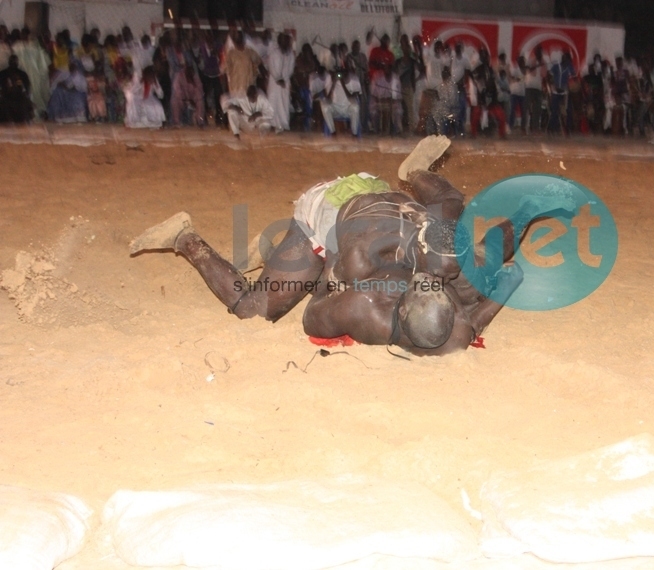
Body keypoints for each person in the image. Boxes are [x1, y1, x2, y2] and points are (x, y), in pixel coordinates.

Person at [128, 137, 570, 355]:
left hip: (387, 204)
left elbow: (500, 264)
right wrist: (331, 281)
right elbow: (313, 314)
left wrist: (529, 211)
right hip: (327, 210)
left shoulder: (445, 259)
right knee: (256, 310)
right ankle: (185, 237)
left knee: (459, 216)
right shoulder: (359, 286)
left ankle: (415, 171)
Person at [320, 63, 361, 136]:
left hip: (347, 110)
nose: (341, 75)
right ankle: (333, 132)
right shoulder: (330, 79)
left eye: (344, 72)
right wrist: (333, 84)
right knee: (324, 106)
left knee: (355, 107)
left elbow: (351, 97)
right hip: (335, 110)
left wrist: (343, 83)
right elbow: (328, 99)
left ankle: (354, 134)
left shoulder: (354, 80)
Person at [268, 33, 295, 132]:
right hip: (275, 83)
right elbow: (271, 67)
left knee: (284, 103)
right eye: (283, 40)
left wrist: (285, 79)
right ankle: (274, 124)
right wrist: (278, 78)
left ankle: (283, 124)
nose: (285, 43)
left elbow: (291, 68)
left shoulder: (290, 54)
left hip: (285, 82)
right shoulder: (274, 53)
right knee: (274, 102)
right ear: (279, 42)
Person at [225, 31, 261, 98]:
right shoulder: (231, 54)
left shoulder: (250, 52)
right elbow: (227, 70)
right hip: (236, 89)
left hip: (249, 88)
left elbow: (258, 63)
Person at [0, 54, 34, 123]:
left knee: (25, 103)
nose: (13, 63)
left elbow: (27, 87)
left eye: (15, 61)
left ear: (17, 62)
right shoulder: (2, 74)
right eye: (12, 61)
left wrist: (26, 95)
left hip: (19, 96)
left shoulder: (22, 74)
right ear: (9, 62)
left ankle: (26, 119)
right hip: (6, 96)